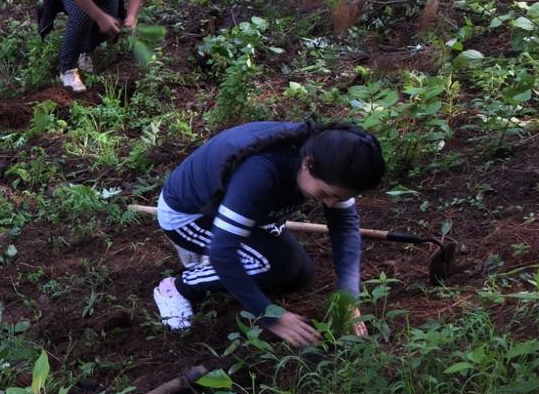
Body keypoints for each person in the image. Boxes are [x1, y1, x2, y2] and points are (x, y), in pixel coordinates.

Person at [151, 121, 386, 347]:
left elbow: (344, 226)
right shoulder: (260, 171)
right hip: (192, 215)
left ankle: (223, 259)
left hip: (249, 212)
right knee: (270, 265)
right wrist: (270, 316)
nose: (332, 204)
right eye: (325, 194)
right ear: (307, 163)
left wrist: (348, 294)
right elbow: (223, 251)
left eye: (340, 197)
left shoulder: (331, 158)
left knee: (298, 273)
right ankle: (178, 287)